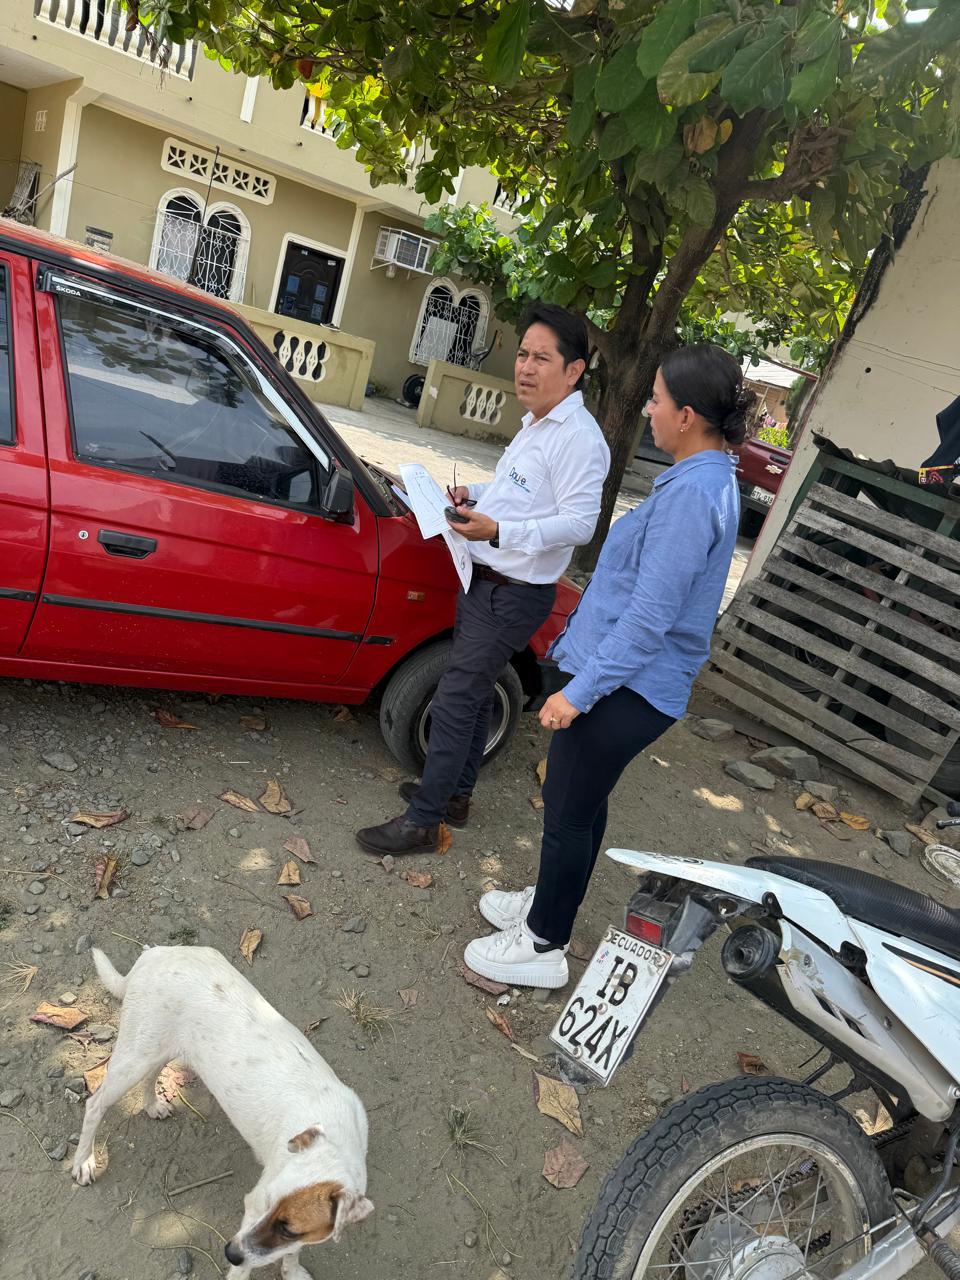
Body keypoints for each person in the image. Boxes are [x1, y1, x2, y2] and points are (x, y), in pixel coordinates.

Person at [462, 343, 754, 987]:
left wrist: (579, 693)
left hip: (629, 686)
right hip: (628, 678)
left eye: (656, 400)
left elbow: (649, 619)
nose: (648, 410)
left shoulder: (693, 494)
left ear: (686, 417)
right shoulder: (705, 479)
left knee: (568, 809)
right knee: (581, 804)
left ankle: (543, 944)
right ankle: (549, 903)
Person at [356, 303, 610, 856]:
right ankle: (455, 796)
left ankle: (424, 821)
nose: (525, 367)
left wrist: (499, 530)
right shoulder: (536, 423)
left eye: (542, 358)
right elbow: (513, 490)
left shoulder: (580, 439)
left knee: (453, 699)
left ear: (574, 370)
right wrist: (472, 494)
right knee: (468, 697)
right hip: (485, 581)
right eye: (522, 354)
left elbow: (580, 524)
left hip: (513, 594)